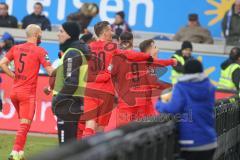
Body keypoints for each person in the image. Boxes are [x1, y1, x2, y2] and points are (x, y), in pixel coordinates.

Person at [82, 21, 153, 136]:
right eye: (110, 30)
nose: (112, 32)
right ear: (105, 33)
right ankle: (98, 152)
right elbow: (129, 55)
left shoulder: (88, 47)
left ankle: (83, 151)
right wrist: (147, 56)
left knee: (89, 124)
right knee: (100, 127)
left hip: (90, 89)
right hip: (106, 91)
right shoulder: (112, 47)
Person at [0, 24, 54, 160]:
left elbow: (2, 63)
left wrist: (12, 75)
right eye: (40, 33)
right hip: (27, 94)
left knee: (23, 124)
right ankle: (15, 152)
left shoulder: (15, 48)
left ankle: (20, 153)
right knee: (25, 125)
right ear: (36, 34)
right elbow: (50, 71)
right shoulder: (40, 51)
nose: (41, 36)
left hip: (14, 93)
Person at [156, 59, 217, 160]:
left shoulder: (182, 87)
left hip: (191, 142)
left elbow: (173, 108)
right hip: (210, 141)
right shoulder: (209, 87)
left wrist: (159, 104)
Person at [111, 38, 175, 127]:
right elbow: (154, 81)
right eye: (155, 47)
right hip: (141, 102)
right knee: (145, 129)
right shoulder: (146, 61)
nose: (158, 49)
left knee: (124, 132)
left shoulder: (118, 60)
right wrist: (172, 86)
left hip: (127, 102)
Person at [52, 22, 90, 145]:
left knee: (64, 147)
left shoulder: (72, 53)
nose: (58, 34)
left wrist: (57, 100)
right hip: (72, 104)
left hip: (67, 105)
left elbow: (71, 82)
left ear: (70, 34)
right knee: (69, 146)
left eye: (61, 31)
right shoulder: (75, 51)